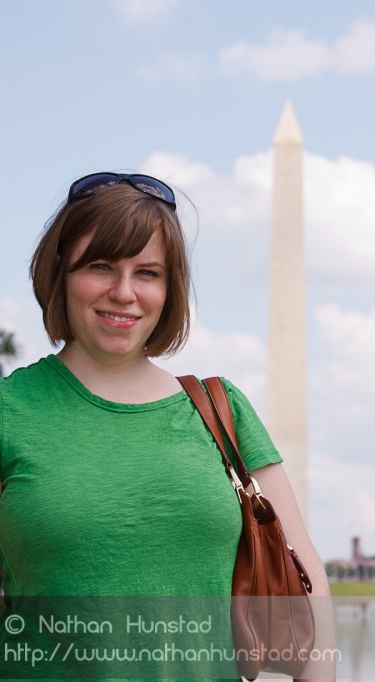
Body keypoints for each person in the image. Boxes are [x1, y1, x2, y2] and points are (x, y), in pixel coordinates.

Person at [0, 173, 334, 680]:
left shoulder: (222, 410)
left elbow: (306, 582)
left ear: (168, 288)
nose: (124, 292)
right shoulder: (10, 410)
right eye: (100, 266)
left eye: (148, 272)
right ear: (61, 272)